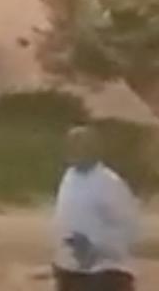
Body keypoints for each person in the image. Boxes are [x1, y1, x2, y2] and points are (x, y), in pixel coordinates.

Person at [55, 125, 140, 291]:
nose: (75, 150)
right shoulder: (69, 178)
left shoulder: (110, 183)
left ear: (95, 149)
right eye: (72, 144)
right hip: (70, 272)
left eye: (82, 145)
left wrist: (95, 246)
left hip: (106, 274)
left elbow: (130, 229)